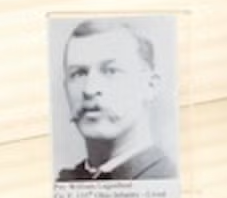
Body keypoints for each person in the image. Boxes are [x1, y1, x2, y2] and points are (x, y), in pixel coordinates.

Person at [57, 19, 177, 181]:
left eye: (111, 71)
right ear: (65, 87)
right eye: (79, 74)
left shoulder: (167, 178)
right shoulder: (64, 183)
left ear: (150, 86)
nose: (89, 90)